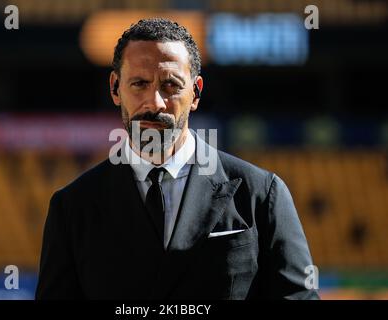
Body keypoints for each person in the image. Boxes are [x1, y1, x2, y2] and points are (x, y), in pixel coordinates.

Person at [35, 18, 319, 300]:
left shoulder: (260, 194)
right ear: (115, 88)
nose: (155, 102)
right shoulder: (72, 208)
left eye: (170, 85)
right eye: (139, 84)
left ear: (195, 92)